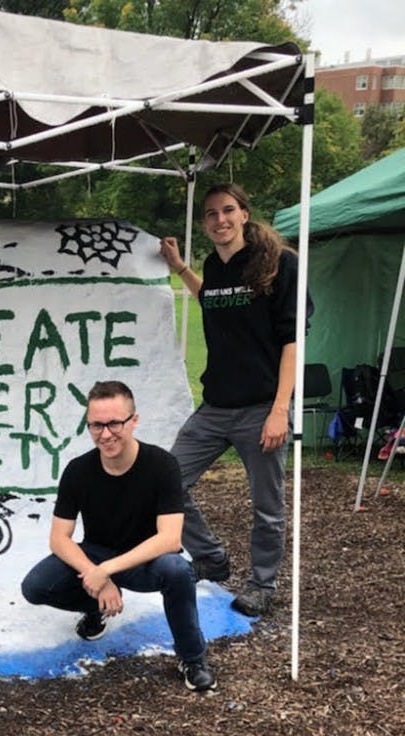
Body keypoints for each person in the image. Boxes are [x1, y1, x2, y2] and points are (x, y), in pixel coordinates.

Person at [159, 182, 307, 617]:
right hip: (216, 406)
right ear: (204, 224)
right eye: (211, 214)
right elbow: (214, 300)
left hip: (263, 408)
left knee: (267, 506)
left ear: (244, 213)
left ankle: (262, 585)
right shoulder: (215, 265)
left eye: (228, 210)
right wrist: (182, 267)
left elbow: (292, 341)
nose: (220, 220)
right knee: (166, 481)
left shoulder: (281, 264)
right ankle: (212, 557)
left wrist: (280, 410)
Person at [21, 381, 217, 692]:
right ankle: (95, 608)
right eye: (96, 425)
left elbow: (170, 540)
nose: (105, 433)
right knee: (34, 586)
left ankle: (192, 658)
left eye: (114, 423)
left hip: (146, 560)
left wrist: (106, 572)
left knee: (178, 571)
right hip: (98, 553)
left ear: (133, 421)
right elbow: (59, 538)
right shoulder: (78, 470)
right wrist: (96, 574)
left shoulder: (162, 465)